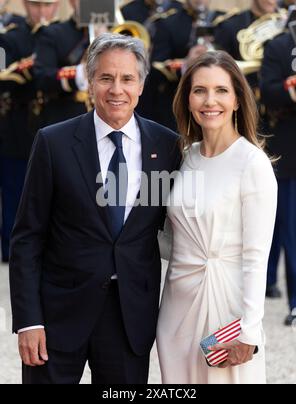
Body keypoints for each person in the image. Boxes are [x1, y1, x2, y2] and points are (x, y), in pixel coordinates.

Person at [9, 32, 181, 384]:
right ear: (89, 82)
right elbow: (27, 238)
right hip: (57, 316)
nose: (116, 89)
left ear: (142, 85)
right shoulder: (52, 142)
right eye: (105, 78)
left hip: (129, 318)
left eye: (127, 78)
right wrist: (29, 320)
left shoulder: (167, 147)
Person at [156, 51, 277, 384]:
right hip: (176, 308)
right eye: (200, 90)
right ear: (188, 99)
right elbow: (168, 235)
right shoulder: (184, 157)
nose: (210, 101)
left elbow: (257, 257)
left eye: (222, 90)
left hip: (227, 310)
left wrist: (249, 331)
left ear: (238, 100)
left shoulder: (252, 164)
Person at [0, 0, 59, 263]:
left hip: (54, 123)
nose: (43, 12)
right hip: (18, 128)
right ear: (26, 5)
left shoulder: (61, 35)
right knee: (16, 192)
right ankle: (13, 253)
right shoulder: (10, 38)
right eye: (36, 5)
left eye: (49, 6)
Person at [260, 4, 296, 324]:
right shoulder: (279, 44)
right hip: (292, 148)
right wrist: (295, 87)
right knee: (292, 230)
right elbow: (269, 92)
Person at [143, 0, 224, 130]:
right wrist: (186, 64)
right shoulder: (167, 23)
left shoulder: (223, 22)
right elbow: (157, 67)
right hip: (178, 109)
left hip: (216, 107)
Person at [33, 0, 90, 127]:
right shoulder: (53, 33)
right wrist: (80, 73)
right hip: (68, 119)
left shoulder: (118, 32)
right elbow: (42, 77)